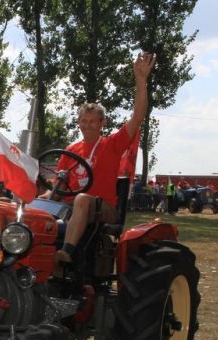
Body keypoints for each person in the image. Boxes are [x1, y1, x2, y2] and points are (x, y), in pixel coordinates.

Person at [54, 51, 156, 263]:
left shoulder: (112, 144)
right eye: (83, 120)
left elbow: (137, 117)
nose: (87, 125)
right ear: (78, 123)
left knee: (82, 200)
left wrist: (140, 80)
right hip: (69, 205)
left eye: (92, 121)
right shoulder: (70, 149)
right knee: (33, 200)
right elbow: (58, 185)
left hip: (103, 208)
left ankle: (66, 253)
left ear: (102, 123)